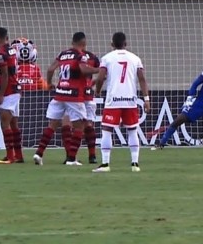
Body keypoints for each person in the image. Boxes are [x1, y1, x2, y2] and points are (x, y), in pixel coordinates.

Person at [34, 32, 100, 166]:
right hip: (74, 95)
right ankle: (71, 159)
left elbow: (51, 69)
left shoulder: (63, 54)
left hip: (60, 93)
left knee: (52, 124)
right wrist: (99, 70)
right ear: (83, 43)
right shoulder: (80, 56)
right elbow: (84, 70)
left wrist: (49, 83)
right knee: (79, 126)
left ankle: (39, 153)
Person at [92, 32, 150, 173]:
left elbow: (100, 78)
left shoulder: (106, 58)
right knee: (132, 130)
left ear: (112, 44)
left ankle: (105, 164)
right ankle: (135, 164)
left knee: (107, 130)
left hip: (113, 100)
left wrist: (98, 91)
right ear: (126, 43)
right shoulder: (135, 58)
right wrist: (146, 99)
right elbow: (142, 79)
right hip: (130, 100)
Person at [155, 57, 203, 149]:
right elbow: (195, 84)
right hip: (200, 104)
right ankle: (161, 144)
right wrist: (190, 99)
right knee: (179, 120)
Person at [0, 27, 24, 164]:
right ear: (7, 37)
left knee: (5, 124)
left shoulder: (1, 53)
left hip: (9, 92)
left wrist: (0, 94)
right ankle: (18, 155)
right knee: (14, 124)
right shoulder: (13, 50)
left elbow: (5, 74)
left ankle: (10, 156)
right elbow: (3, 73)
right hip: (16, 89)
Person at [81, 48, 101, 164]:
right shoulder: (93, 57)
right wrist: (92, 84)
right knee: (88, 125)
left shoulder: (72, 56)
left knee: (71, 124)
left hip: (74, 95)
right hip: (88, 95)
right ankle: (92, 156)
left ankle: (70, 156)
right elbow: (103, 74)